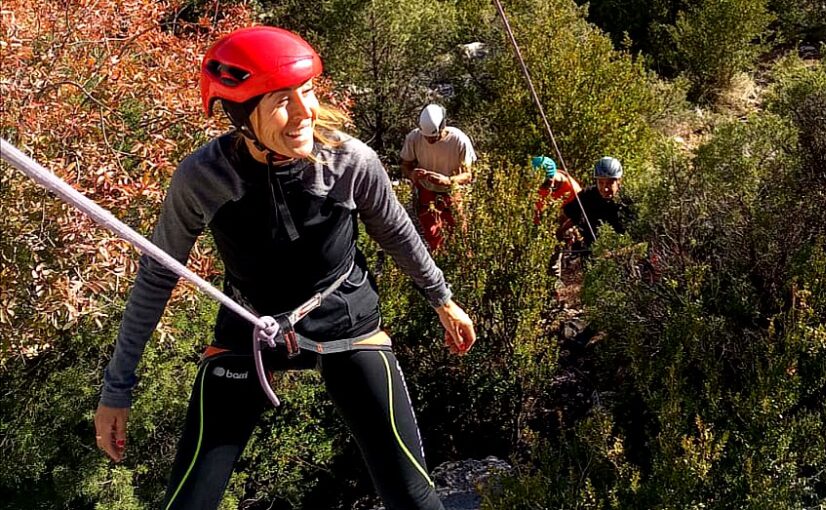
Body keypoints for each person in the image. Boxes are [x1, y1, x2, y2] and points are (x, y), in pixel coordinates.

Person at [93, 27, 475, 510]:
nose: (304, 112)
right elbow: (158, 273)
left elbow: (398, 233)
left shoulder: (349, 161)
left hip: (345, 320)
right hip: (251, 325)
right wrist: (117, 389)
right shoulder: (205, 176)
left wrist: (442, 300)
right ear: (239, 114)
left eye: (308, 92)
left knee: (415, 499)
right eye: (280, 99)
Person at [400, 104, 476, 252]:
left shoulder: (459, 140)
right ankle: (440, 264)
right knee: (433, 235)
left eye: (433, 138)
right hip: (427, 192)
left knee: (460, 235)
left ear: (443, 127)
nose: (429, 141)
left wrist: (448, 181)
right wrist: (412, 174)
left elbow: (468, 175)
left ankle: (463, 267)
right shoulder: (414, 138)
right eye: (426, 137)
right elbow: (405, 164)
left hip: (453, 193)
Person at [560, 156, 630, 247]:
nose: (605, 188)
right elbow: (570, 217)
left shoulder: (627, 200)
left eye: (610, 183)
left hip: (621, 250)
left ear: (619, 181)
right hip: (590, 250)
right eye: (600, 182)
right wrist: (562, 233)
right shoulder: (587, 195)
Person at [531, 155, 582, 226]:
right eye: (538, 181)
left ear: (553, 176)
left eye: (546, 182)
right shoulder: (531, 186)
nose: (541, 186)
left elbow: (576, 216)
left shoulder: (572, 190)